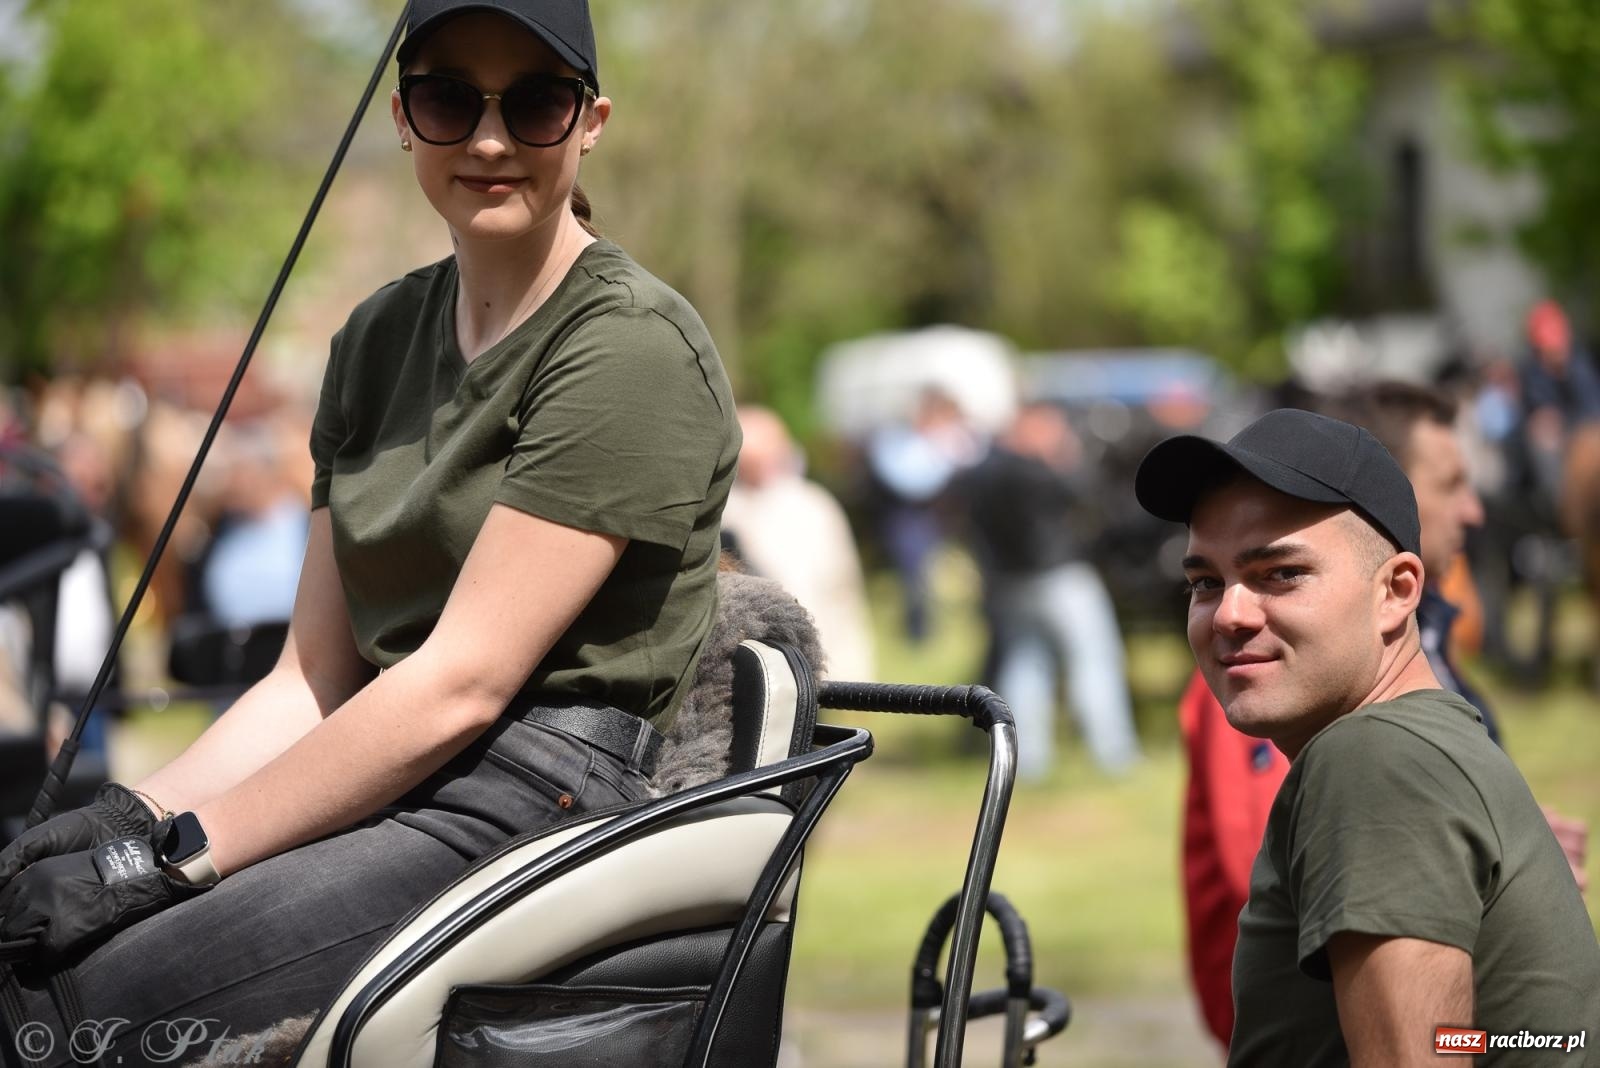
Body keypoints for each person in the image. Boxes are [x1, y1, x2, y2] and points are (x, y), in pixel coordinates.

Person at [0, 2, 739, 1064]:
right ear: (401, 117)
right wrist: (128, 813)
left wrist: (171, 861)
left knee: (92, 997)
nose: (489, 139)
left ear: (590, 123)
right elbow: (312, 677)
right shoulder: (374, 339)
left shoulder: (628, 348)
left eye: (534, 102)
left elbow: (463, 684)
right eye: (449, 99)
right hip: (396, 766)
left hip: (541, 797)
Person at [1138, 408, 1600, 1066]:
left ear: (1397, 591)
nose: (1230, 614)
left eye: (1280, 573)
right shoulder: (1412, 744)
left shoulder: (1372, 760)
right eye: (1205, 582)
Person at [957, 401, 1140, 777]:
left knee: (1025, 666)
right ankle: (1113, 753)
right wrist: (1063, 456)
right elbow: (1087, 493)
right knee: (1094, 661)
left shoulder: (980, 471)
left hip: (1009, 583)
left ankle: (1027, 761)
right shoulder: (1034, 471)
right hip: (1060, 578)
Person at [721, 405, 875, 681]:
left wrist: (853, 665)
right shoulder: (724, 511)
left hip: (816, 647)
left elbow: (842, 587)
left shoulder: (813, 505)